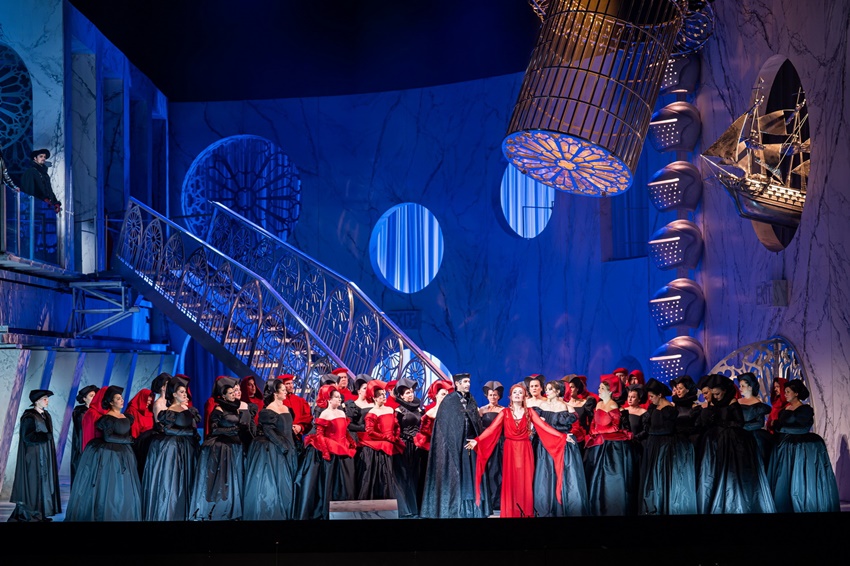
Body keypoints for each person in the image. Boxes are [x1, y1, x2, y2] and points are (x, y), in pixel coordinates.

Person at [467, 383, 566, 518]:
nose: (517, 394)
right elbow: (491, 429)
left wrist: (561, 436)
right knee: (511, 482)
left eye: (520, 392)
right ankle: (511, 512)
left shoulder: (530, 412)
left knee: (525, 481)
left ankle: (524, 512)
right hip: (510, 449)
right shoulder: (505, 413)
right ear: (510, 396)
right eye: (515, 392)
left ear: (524, 395)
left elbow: (544, 426)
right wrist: (477, 440)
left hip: (525, 449)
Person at [695, 374, 775, 514]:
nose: (716, 397)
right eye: (714, 394)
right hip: (714, 442)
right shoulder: (714, 403)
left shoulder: (732, 402)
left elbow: (739, 423)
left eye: (718, 394)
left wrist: (722, 423)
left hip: (731, 442)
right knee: (711, 474)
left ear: (724, 391)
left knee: (731, 475)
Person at [65, 386, 143, 521]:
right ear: (111, 402)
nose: (122, 400)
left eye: (121, 398)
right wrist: (129, 440)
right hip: (110, 454)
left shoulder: (125, 417)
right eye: (118, 398)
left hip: (124, 454)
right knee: (109, 486)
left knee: (123, 486)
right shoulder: (105, 418)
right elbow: (108, 437)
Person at [421, 372, 491, 518]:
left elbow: (476, 422)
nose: (468, 384)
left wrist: (476, 439)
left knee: (470, 477)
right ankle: (454, 509)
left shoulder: (471, 400)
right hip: (453, 446)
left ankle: (472, 510)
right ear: (457, 384)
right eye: (465, 382)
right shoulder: (449, 400)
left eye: (469, 382)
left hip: (470, 444)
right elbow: (444, 426)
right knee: (455, 477)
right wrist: (454, 441)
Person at [768, 379, 840, 513]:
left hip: (798, 446)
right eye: (785, 391)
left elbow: (803, 428)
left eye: (788, 392)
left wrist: (781, 428)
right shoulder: (785, 409)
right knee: (783, 476)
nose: (785, 394)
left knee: (798, 474)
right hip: (784, 445)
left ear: (796, 393)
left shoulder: (805, 410)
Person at [142, 375, 201, 521]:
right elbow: (166, 429)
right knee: (173, 482)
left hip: (187, 449)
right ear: (174, 394)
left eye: (185, 391)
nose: (185, 394)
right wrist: (189, 433)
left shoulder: (187, 410)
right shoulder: (168, 412)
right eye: (181, 392)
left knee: (187, 482)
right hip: (173, 449)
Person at [295, 385, 358, 519]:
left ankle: (344, 510)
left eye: (339, 397)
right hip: (331, 450)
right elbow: (319, 435)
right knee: (330, 481)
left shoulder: (342, 413)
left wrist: (351, 442)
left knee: (345, 481)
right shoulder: (325, 414)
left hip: (342, 448)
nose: (339, 399)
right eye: (336, 397)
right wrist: (325, 451)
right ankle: (327, 511)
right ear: (329, 399)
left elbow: (344, 431)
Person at [190, 377, 247, 521]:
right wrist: (233, 429)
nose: (234, 395)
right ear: (223, 396)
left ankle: (232, 509)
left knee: (233, 479)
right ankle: (218, 510)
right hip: (222, 448)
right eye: (231, 393)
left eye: (234, 392)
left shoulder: (235, 408)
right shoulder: (218, 409)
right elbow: (214, 429)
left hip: (235, 446)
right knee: (222, 482)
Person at [638, 378, 697, 515]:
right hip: (653, 445)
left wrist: (652, 433)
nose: (650, 399)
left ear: (660, 395)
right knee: (651, 477)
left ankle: (662, 504)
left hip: (664, 446)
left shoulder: (669, 410)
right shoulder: (653, 408)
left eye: (652, 396)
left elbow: (669, 429)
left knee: (661, 475)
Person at [243, 378, 298, 520]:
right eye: (283, 390)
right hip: (278, 450)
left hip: (290, 446)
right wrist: (282, 446)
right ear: (275, 393)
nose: (286, 392)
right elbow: (269, 431)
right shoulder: (268, 411)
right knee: (280, 483)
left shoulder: (286, 408)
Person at [532, 380, 589, 517]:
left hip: (563, 445)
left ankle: (566, 507)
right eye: (546, 389)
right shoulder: (541, 406)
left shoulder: (567, 407)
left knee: (566, 476)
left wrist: (568, 435)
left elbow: (575, 426)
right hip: (546, 445)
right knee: (546, 476)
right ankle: (547, 508)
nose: (547, 391)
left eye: (550, 389)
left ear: (558, 391)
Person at [583, 375, 636, 516]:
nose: (598, 390)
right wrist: (593, 430)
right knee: (594, 474)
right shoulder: (598, 404)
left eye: (602, 388)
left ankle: (610, 506)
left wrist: (598, 431)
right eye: (599, 388)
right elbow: (593, 422)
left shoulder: (613, 405)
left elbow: (615, 427)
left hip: (610, 445)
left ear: (610, 391)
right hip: (597, 443)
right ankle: (596, 503)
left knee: (609, 475)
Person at [8, 389, 61, 521]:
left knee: (42, 483)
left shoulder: (45, 415)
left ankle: (40, 514)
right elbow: (27, 437)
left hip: (44, 454)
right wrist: (45, 436)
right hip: (34, 455)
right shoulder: (29, 417)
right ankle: (30, 514)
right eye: (44, 399)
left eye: (47, 399)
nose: (47, 401)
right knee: (33, 484)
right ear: (37, 401)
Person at [357, 381, 405, 508]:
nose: (384, 396)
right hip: (379, 447)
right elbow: (370, 431)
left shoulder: (390, 409)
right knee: (381, 475)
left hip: (392, 442)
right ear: (374, 398)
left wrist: (395, 436)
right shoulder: (372, 413)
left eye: (384, 394)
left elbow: (396, 425)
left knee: (395, 475)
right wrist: (385, 437)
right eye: (381, 395)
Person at [393, 377, 423, 517]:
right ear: (401, 396)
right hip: (404, 445)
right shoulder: (398, 410)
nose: (411, 394)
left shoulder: (419, 409)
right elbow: (396, 429)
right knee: (405, 475)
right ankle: (406, 507)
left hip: (417, 446)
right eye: (407, 393)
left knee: (416, 475)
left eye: (411, 392)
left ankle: (416, 506)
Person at [478, 380, 505, 512]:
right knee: (486, 471)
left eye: (495, 395)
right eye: (490, 395)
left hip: (499, 443)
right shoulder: (481, 410)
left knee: (497, 471)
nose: (493, 397)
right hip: (486, 443)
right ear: (486, 396)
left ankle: (497, 501)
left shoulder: (503, 410)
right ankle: (486, 500)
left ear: (499, 396)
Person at [736, 372, 772, 468]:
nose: (740, 388)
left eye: (743, 386)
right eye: (740, 386)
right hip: (737, 435)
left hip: (753, 437)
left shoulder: (757, 403)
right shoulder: (737, 402)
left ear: (750, 387)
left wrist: (743, 427)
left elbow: (760, 423)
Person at [70, 384, 99, 484]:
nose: (94, 398)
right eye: (91, 396)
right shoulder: (80, 412)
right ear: (84, 399)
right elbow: (82, 431)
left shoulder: (97, 411)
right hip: (82, 444)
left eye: (95, 395)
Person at [20, 149, 61, 213]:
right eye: (41, 156)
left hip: (45, 207)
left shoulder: (44, 174)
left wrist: (55, 202)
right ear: (35, 158)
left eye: (44, 157)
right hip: (35, 207)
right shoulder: (31, 172)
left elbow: (49, 190)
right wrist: (43, 199)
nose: (43, 158)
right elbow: (30, 190)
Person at [279, 374, 313, 451]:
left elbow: (308, 417)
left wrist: (300, 427)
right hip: (281, 437)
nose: (291, 386)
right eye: (287, 384)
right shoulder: (278, 400)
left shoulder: (301, 401)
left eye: (292, 383)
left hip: (296, 439)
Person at [565, 375, 596, 448]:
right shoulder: (564, 404)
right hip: (568, 437)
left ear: (577, 388)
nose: (570, 389)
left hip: (582, 437)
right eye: (568, 387)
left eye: (572, 387)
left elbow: (591, 420)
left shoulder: (586, 403)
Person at [345, 373, 375, 440]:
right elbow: (348, 423)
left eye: (368, 388)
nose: (367, 390)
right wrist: (362, 427)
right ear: (359, 391)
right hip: (353, 435)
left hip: (369, 436)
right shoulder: (351, 405)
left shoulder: (374, 405)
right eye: (364, 388)